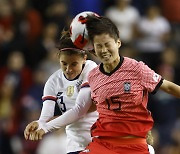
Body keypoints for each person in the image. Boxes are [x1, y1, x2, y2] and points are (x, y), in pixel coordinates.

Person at [76, 14, 180, 154]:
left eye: (107, 44)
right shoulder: (93, 76)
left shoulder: (137, 69)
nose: (104, 50)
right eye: (99, 46)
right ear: (93, 49)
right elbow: (94, 106)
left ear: (118, 43)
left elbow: (168, 87)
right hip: (103, 144)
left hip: (133, 145)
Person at [24, 31, 98, 154]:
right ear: (58, 58)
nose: (68, 69)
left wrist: (46, 127)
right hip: (74, 145)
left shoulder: (91, 68)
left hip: (98, 140)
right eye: (64, 64)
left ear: (84, 58)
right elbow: (46, 115)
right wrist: (39, 123)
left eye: (74, 64)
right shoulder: (53, 81)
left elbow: (80, 110)